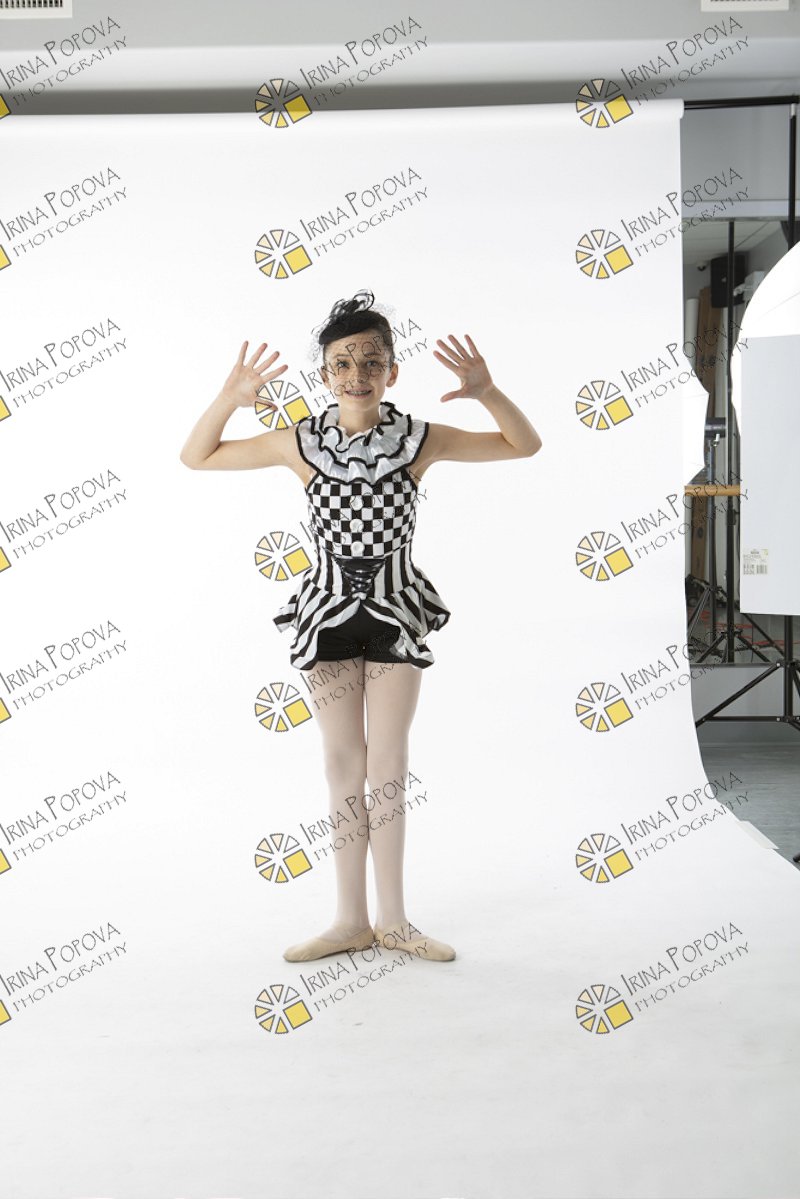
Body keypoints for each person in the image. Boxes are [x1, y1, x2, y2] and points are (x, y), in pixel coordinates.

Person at [180, 290, 542, 964]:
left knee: (389, 765)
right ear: (325, 374)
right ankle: (350, 919)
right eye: (342, 363)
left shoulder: (420, 439)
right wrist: (230, 398)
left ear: (391, 371)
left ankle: (395, 920)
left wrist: (488, 392)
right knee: (342, 764)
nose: (356, 375)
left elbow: (525, 445)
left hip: (395, 611)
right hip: (325, 617)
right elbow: (196, 456)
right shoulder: (299, 442)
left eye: (371, 362)